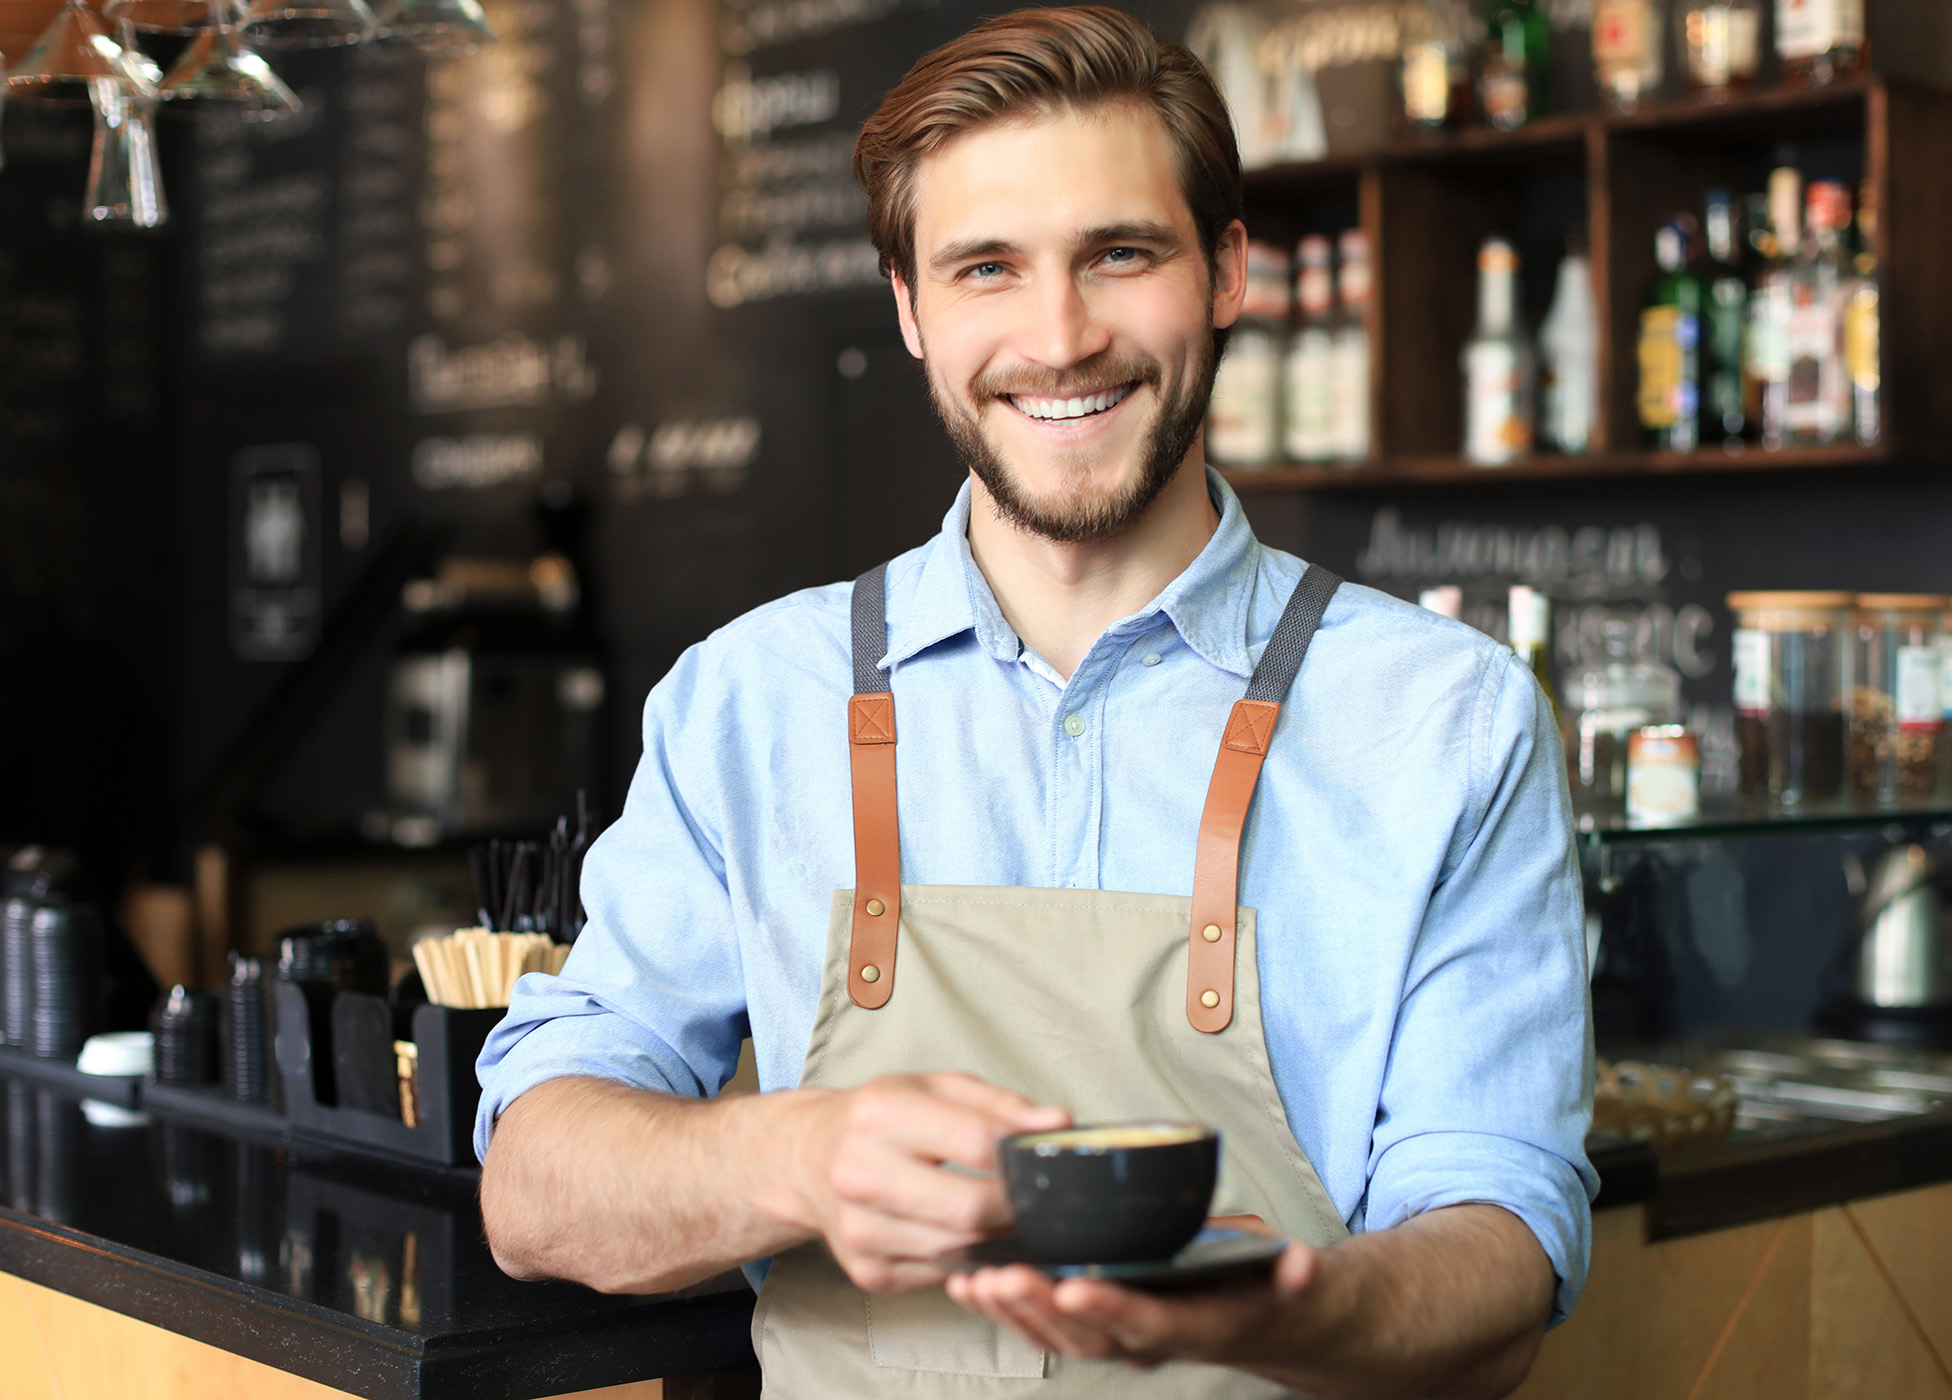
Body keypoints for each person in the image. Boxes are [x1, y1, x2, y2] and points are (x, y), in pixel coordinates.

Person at [476, 8, 1595, 1397]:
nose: (1059, 338)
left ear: (1229, 270)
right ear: (910, 310)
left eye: (1118, 254)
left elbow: (1506, 1231)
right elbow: (534, 1186)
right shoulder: (750, 701)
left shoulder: (1453, 720)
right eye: (986, 268)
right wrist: (797, 1156)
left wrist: (1291, 1317)